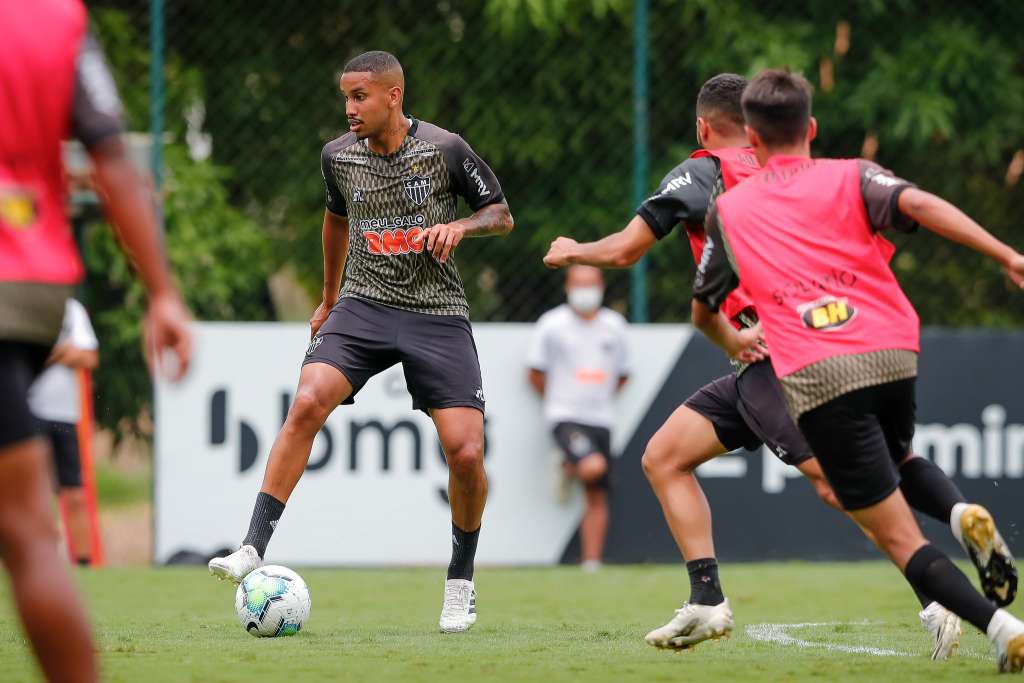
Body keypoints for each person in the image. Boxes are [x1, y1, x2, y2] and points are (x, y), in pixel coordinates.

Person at [543, 73, 1014, 658]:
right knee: (664, 456)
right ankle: (707, 598)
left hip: (775, 353)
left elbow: (627, 249)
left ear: (703, 127)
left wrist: (573, 250)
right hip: (803, 350)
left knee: (841, 482)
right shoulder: (812, 172)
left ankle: (938, 596)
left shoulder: (705, 171)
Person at [693, 68, 1024, 673]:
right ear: (811, 128)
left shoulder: (730, 210)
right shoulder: (853, 174)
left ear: (753, 143)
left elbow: (702, 311)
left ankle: (1003, 628)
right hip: (894, 351)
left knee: (898, 536)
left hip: (819, 373)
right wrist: (1006, 254)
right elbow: (919, 204)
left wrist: (734, 339)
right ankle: (959, 512)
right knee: (897, 465)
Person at [208, 51, 514, 634]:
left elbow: (501, 215)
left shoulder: (446, 149)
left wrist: (462, 225)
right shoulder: (337, 158)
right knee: (306, 401)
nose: (349, 109)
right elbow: (335, 220)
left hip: (436, 312)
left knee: (466, 452)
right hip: (363, 305)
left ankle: (460, 581)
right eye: (345, 97)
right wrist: (327, 298)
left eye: (360, 97)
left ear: (393, 96)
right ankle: (251, 545)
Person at [0, 2, 193, 682]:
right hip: (22, 277)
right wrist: (162, 292)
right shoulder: (56, 20)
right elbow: (112, 158)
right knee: (27, 533)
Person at [527, 265, 629, 571]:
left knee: (597, 491)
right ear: (568, 287)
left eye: (591, 283)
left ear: (601, 286)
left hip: (601, 418)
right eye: (579, 283)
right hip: (565, 415)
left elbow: (624, 374)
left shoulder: (615, 325)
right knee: (592, 465)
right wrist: (558, 400)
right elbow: (534, 372)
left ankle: (591, 562)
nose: (586, 290)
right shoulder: (552, 324)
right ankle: (569, 464)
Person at [28, 298, 99, 566]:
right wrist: (64, 352)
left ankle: (84, 565)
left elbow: (89, 356)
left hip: (64, 416)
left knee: (75, 494)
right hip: (28, 412)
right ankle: (38, 561)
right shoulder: (21, 305)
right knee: (34, 494)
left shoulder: (72, 309)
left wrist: (50, 352)